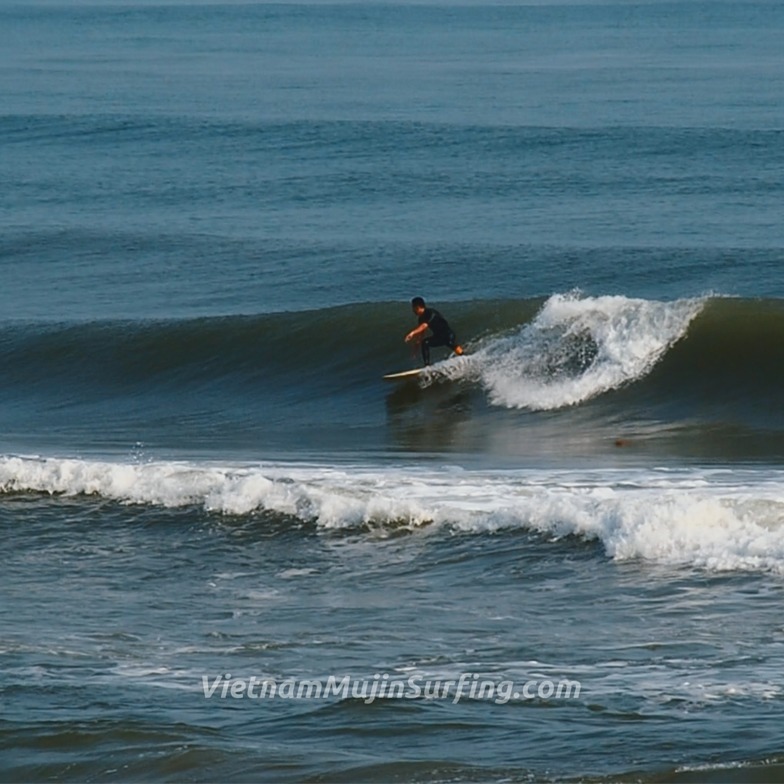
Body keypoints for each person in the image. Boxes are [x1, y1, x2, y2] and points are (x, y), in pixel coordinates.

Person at [404, 297, 464, 366]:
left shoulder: (430, 313)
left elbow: (424, 325)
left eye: (413, 308)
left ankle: (463, 357)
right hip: (438, 336)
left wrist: (412, 333)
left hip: (448, 334)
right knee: (425, 343)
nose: (413, 310)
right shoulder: (421, 318)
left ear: (417, 307)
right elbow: (421, 334)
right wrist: (415, 349)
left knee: (450, 343)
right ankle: (427, 365)